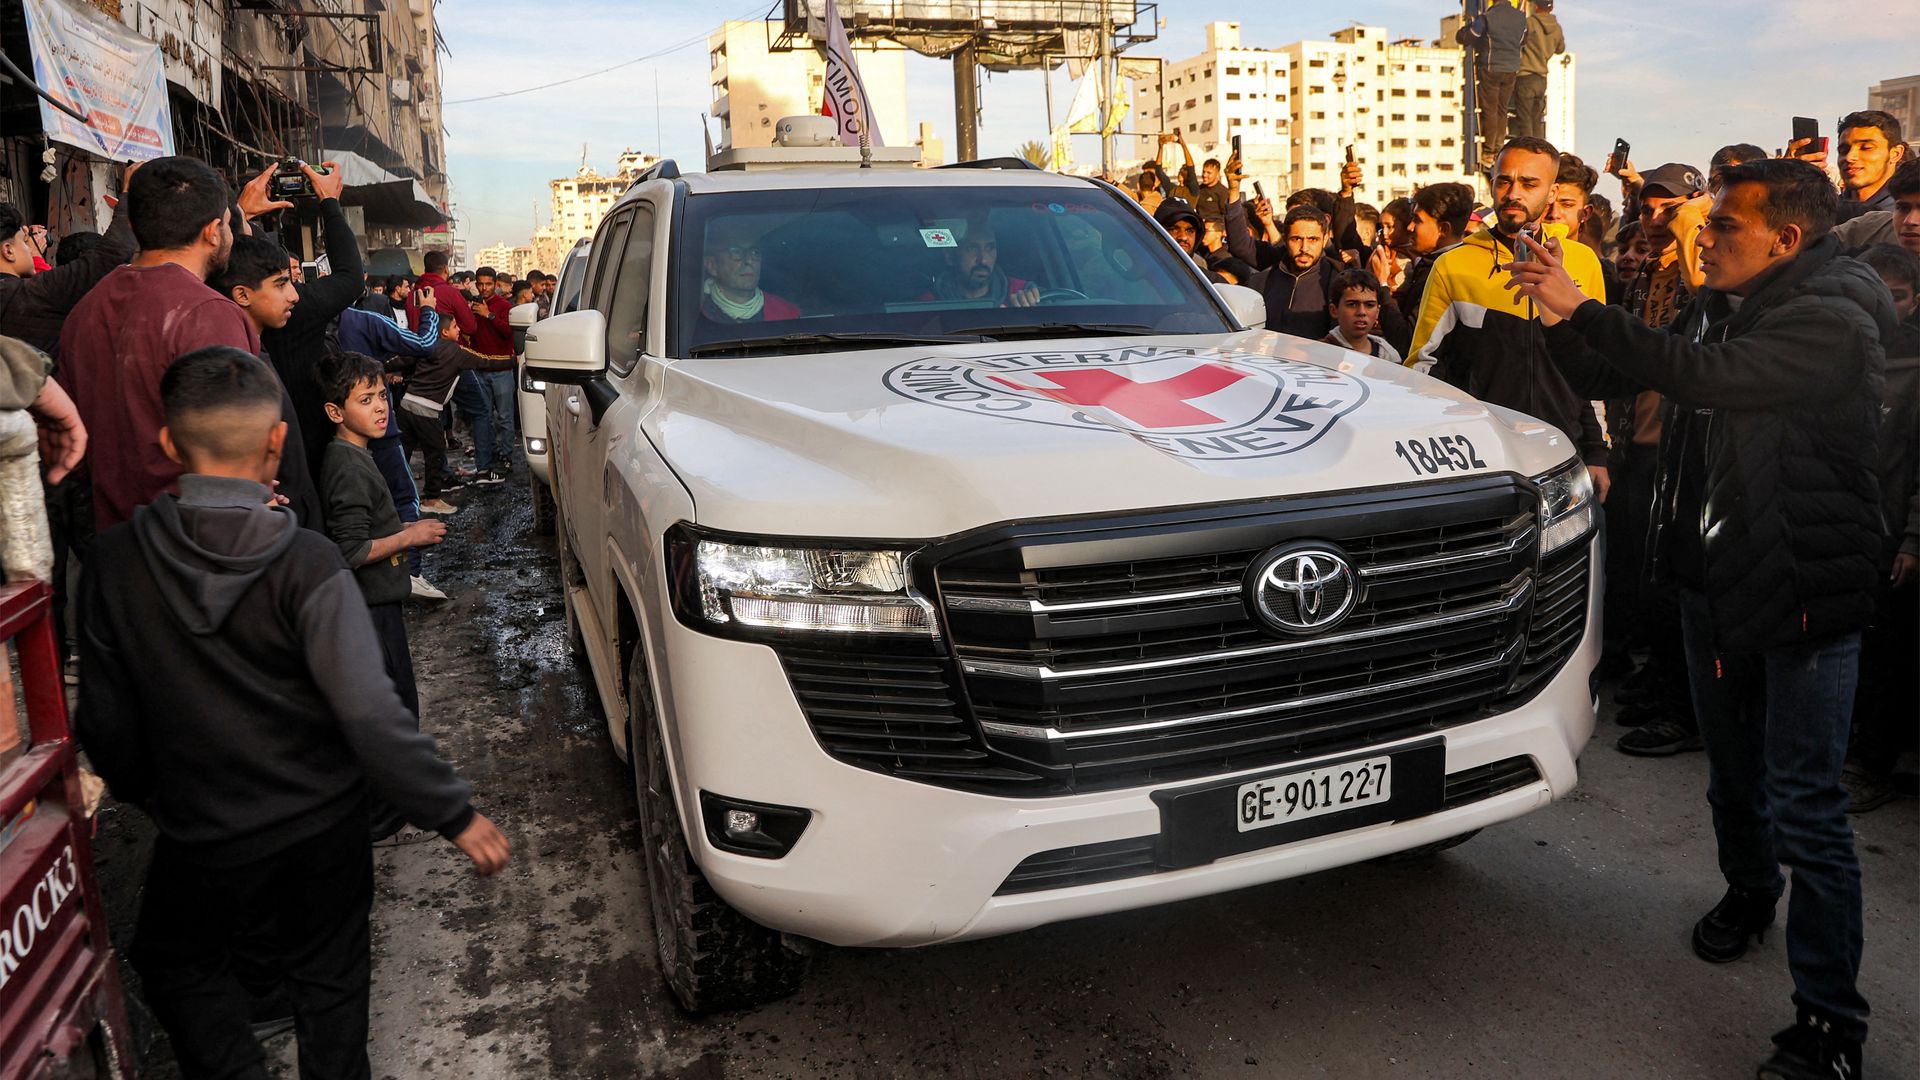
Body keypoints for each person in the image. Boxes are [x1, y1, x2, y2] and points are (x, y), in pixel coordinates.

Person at [1508, 157, 1889, 1080]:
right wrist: (1554, 310)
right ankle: (1749, 894)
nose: (1705, 238)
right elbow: (1622, 360)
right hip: (1712, 576)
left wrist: (1582, 304)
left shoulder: (1833, 316)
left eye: (1723, 226)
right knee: (1730, 775)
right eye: (1707, 223)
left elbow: (1707, 378)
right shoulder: (1724, 298)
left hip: (1803, 590)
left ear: (1784, 238)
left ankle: (1829, 1024)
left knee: (1809, 808)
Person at [75, 345, 508, 1078]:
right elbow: (370, 712)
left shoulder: (115, 563)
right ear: (278, 441)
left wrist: (161, 796)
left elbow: (106, 728)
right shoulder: (307, 561)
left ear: (170, 444)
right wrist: (453, 812)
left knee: (177, 965)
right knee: (330, 990)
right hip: (322, 828)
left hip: (203, 833)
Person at [60, 155, 324, 532]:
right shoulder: (209, 313)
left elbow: (71, 445)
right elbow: (238, 450)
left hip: (117, 543)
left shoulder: (85, 310)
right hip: (202, 545)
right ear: (213, 232)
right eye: (230, 225)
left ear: (133, 225)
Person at [1407, 137, 1611, 497]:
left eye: (1529, 183)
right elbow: (1423, 368)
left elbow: (1592, 370)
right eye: (1504, 180)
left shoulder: (1582, 261)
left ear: (1552, 193)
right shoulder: (1452, 265)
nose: (1513, 192)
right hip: (1480, 457)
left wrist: (1597, 452)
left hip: (1564, 452)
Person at [316, 348, 451, 839]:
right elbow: (349, 548)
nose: (380, 408)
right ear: (335, 412)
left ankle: (391, 805)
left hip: (379, 604)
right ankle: (379, 816)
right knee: (392, 711)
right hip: (370, 609)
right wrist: (408, 537)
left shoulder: (356, 454)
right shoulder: (347, 465)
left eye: (382, 396)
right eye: (365, 399)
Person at [1840, 242, 1918, 813]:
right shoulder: (1841, 352)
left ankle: (1873, 766)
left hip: (1891, 537)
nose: (1888, 309)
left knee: (1886, 661)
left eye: (1899, 298)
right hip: (1839, 530)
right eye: (1879, 297)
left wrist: (1913, 539)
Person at [260, 160, 367, 486]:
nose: (292, 293)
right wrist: (329, 203)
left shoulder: (217, 304)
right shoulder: (299, 311)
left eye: (292, 278)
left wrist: (242, 214)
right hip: (299, 464)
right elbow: (350, 278)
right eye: (281, 282)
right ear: (243, 292)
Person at [1455, 0, 1529, 169]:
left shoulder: (1487, 18)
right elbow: (1523, 39)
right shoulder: (1521, 17)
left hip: (1490, 66)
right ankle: (1498, 147)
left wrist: (1464, 32)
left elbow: (1470, 36)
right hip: (1511, 68)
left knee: (1490, 109)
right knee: (1502, 110)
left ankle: (1488, 151)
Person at [466, 266, 517, 482]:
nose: (484, 288)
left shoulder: (505, 306)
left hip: (503, 370)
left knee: (505, 417)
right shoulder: (474, 306)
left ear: (495, 284)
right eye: (481, 284)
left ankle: (507, 456)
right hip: (481, 369)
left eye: (488, 284)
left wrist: (489, 315)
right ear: (476, 284)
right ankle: (491, 453)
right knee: (484, 417)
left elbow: (508, 332)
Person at [700, 226, 800, 322]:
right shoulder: (692, 316)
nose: (749, 260)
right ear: (711, 265)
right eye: (736, 251)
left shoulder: (787, 314)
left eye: (754, 252)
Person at [1836, 110, 1907, 223]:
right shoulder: (1823, 212)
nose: (1850, 157)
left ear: (1895, 154)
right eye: (1843, 150)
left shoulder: (1909, 214)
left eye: (1866, 148)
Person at [1322, 268, 1403, 363]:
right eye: (1352, 304)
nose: (1361, 312)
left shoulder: (1389, 356)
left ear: (1377, 311)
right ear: (1334, 310)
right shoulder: (1320, 353)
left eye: (1369, 305)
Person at [1513, 0, 1564, 141]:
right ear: (1552, 8)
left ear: (1536, 6)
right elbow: (1560, 49)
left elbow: (1517, 41)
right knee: (1537, 119)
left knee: (1525, 119)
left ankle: (1527, 151)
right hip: (1542, 77)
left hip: (1525, 75)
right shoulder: (1557, 28)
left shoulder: (1529, 23)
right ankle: (1538, 150)